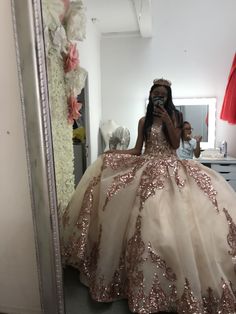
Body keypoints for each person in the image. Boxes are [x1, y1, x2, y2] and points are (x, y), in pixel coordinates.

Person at [61, 78, 236, 314]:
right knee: (143, 219)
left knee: (176, 219)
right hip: (147, 168)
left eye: (163, 95)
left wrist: (166, 120)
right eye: (156, 94)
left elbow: (174, 146)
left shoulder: (173, 118)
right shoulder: (143, 121)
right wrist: (115, 153)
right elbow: (137, 149)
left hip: (172, 170)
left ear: (168, 98)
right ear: (151, 96)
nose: (159, 98)